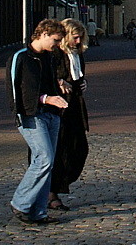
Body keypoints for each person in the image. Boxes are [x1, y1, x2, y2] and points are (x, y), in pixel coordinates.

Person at [6, 19, 69, 224]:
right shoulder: (21, 58)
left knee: (45, 163)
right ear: (43, 34)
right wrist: (45, 99)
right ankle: (21, 202)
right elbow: (18, 91)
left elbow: (49, 83)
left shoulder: (49, 58)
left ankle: (38, 211)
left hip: (52, 114)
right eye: (55, 40)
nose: (57, 45)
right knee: (44, 159)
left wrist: (59, 87)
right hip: (31, 114)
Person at [48, 19, 90, 211]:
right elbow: (47, 75)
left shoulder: (77, 54)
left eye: (80, 37)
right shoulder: (55, 54)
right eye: (75, 37)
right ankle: (51, 191)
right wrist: (58, 81)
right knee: (60, 149)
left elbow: (78, 76)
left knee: (79, 148)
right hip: (59, 108)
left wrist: (82, 83)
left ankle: (61, 182)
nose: (79, 40)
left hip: (75, 106)